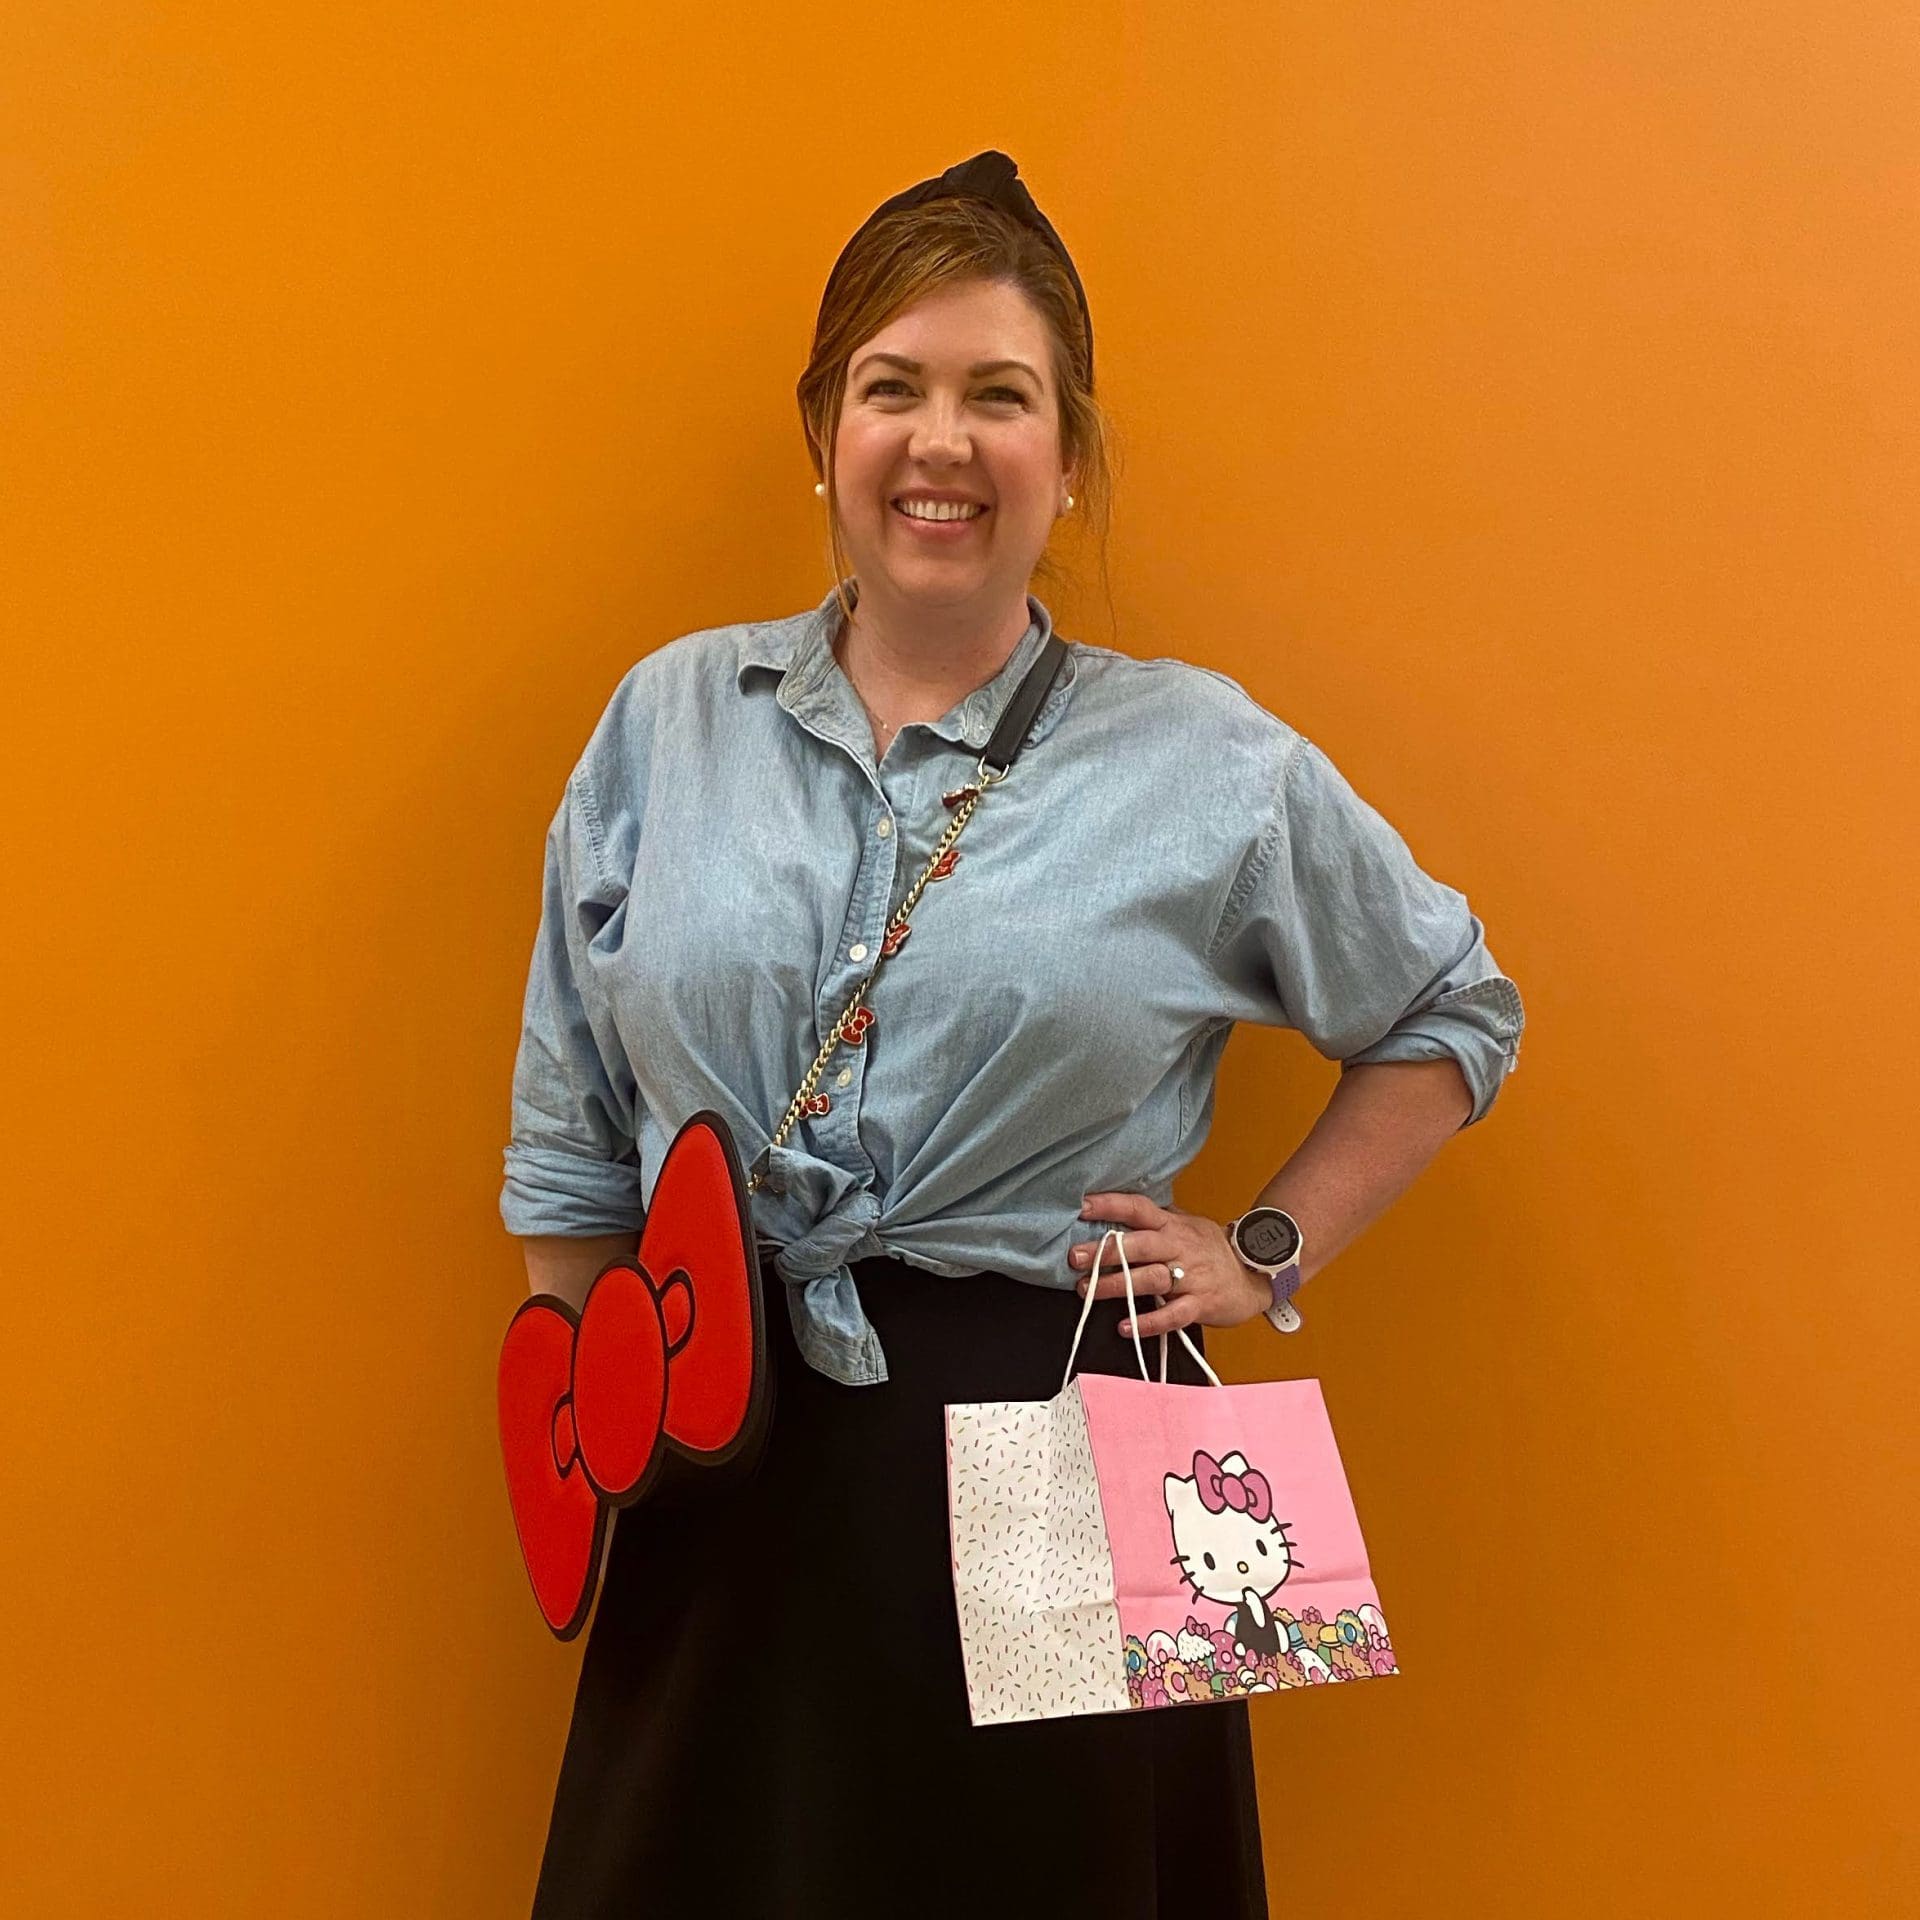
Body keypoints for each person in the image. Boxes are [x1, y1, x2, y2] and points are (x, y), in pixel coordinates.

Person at [499, 150, 1525, 1919]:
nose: (942, 442)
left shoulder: (1204, 760)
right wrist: (604, 1445)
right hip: (714, 1436)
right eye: (892, 387)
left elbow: (1455, 1007)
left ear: (1070, 453)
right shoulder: (667, 721)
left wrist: (1267, 1247)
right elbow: (570, 1137)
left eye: (1000, 394)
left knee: (1060, 1880)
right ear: (823, 431)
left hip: (1070, 1428)